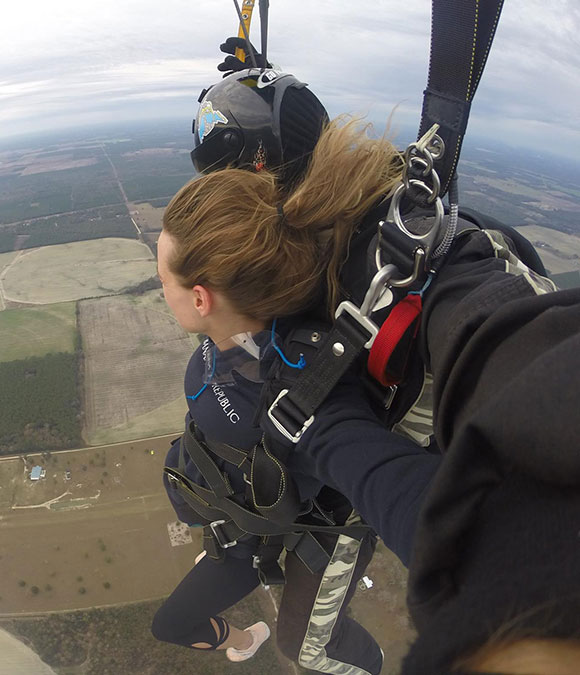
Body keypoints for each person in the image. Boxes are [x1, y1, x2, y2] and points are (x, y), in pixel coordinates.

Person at [164, 58, 580, 673]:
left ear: (275, 183)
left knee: (303, 645)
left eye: (236, 194)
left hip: (369, 480)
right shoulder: (288, 260)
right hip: (322, 466)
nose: (234, 223)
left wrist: (331, 432)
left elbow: (527, 379)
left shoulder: (426, 269)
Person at [149, 85, 439, 672]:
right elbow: (262, 219)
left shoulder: (304, 397)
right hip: (243, 515)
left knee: (303, 647)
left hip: (302, 510)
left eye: (164, 284)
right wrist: (248, 99)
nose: (162, 293)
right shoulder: (246, 310)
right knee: (182, 619)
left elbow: (397, 489)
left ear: (201, 298)